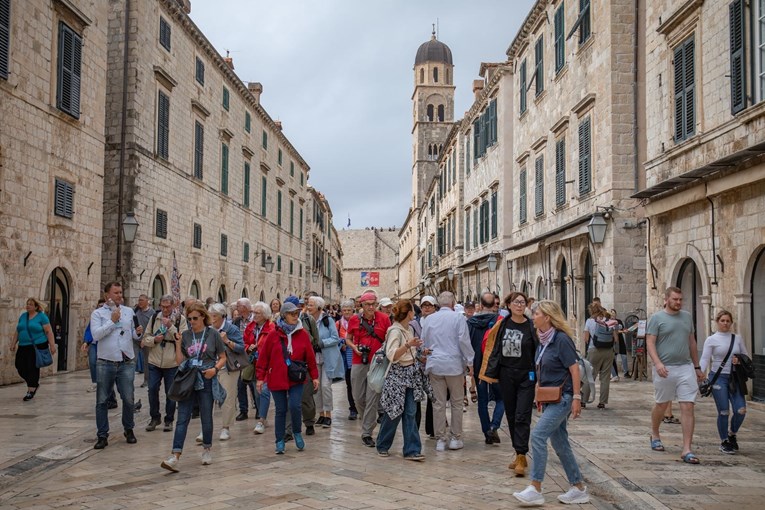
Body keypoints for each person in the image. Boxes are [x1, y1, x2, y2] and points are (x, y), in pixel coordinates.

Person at [513, 300, 589, 506]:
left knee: (537, 437)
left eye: (536, 313)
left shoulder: (561, 340)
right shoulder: (543, 340)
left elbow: (574, 370)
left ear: (547, 317)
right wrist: (539, 395)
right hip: (549, 398)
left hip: (563, 398)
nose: (533, 316)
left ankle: (536, 488)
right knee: (560, 443)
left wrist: (576, 398)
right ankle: (578, 487)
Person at [160, 302, 226, 471]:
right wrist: (177, 343)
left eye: (195, 318)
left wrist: (214, 369)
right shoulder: (187, 335)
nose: (192, 321)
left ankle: (207, 449)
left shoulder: (213, 335)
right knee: (182, 418)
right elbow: (179, 361)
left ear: (203, 317)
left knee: (206, 416)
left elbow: (223, 357)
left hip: (207, 379)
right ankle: (175, 455)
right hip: (188, 379)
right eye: (189, 319)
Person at [646, 287, 705, 464]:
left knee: (688, 406)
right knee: (661, 405)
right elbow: (650, 342)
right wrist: (657, 363)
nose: (678, 302)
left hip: (685, 367)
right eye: (675, 299)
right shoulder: (657, 318)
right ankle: (655, 433)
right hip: (665, 369)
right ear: (666, 299)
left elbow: (692, 342)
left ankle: (687, 448)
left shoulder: (687, 317)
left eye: (680, 299)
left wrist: (697, 367)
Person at [481, 292, 537, 476]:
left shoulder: (531, 326)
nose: (520, 305)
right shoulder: (502, 325)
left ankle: (522, 454)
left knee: (522, 415)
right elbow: (492, 347)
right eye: (516, 302)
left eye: (522, 302)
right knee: (512, 415)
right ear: (509, 305)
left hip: (526, 376)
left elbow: (538, 351)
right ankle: (518, 452)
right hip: (506, 375)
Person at [255, 301, 319, 454]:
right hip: (276, 376)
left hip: (296, 377)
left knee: (295, 406)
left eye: (297, 313)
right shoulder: (273, 334)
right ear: (284, 315)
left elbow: (310, 356)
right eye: (292, 314)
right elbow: (263, 357)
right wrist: (260, 377)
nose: (295, 316)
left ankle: (297, 432)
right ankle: (279, 440)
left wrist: (315, 376)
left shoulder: (303, 333)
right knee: (281, 409)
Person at [90, 282, 143, 450]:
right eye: (116, 293)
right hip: (105, 361)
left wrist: (138, 333)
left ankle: (129, 428)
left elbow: (131, 333)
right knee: (102, 400)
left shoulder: (129, 311)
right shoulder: (97, 313)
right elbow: (96, 335)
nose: (120, 295)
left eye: (121, 292)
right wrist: (112, 321)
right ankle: (102, 435)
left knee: (128, 398)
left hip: (126, 361)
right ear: (107, 295)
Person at [421, 291, 474, 452]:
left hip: (435, 365)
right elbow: (464, 341)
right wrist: (470, 361)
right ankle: (455, 438)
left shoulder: (429, 319)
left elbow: (424, 343)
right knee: (457, 403)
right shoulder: (458, 318)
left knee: (438, 404)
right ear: (452, 304)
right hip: (453, 365)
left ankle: (440, 440)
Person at [376, 299, 427, 461]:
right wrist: (408, 345)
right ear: (409, 313)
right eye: (412, 310)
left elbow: (409, 352)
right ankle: (382, 444)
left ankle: (412, 449)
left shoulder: (408, 329)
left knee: (411, 412)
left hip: (410, 375)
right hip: (397, 376)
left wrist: (421, 353)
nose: (414, 313)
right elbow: (392, 355)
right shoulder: (395, 331)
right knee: (393, 413)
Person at [700, 310, 749, 454]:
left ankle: (732, 434)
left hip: (735, 377)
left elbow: (745, 356)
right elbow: (705, 358)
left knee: (741, 410)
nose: (725, 323)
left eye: (728, 321)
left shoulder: (737, 338)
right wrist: (699, 374)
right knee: (724, 411)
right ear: (717, 322)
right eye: (722, 321)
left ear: (731, 323)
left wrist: (738, 359)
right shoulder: (711, 339)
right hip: (718, 377)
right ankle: (724, 441)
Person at [346, 291, 391, 447]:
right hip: (359, 361)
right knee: (357, 397)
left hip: (377, 363)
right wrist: (354, 348)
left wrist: (383, 352)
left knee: (372, 398)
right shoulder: (354, 320)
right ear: (362, 305)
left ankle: (367, 432)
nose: (371, 307)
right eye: (368, 304)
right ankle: (367, 419)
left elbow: (388, 339)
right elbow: (348, 338)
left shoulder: (384, 319)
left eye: (373, 304)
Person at [143, 295, 187, 432]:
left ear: (173, 306)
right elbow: (145, 338)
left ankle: (169, 419)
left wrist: (171, 327)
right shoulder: (154, 318)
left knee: (170, 392)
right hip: (154, 360)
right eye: (163, 306)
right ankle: (155, 417)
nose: (165, 309)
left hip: (172, 361)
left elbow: (183, 339)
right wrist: (154, 340)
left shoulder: (180, 320)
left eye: (168, 306)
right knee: (152, 389)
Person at [467, 292, 503, 446]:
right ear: (494, 304)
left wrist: (469, 365)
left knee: (482, 400)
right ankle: (494, 425)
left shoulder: (471, 322)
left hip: (478, 365)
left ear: (480, 305)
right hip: (496, 366)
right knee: (501, 398)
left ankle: (487, 432)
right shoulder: (500, 321)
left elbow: (466, 343)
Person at [208, 303, 244, 441]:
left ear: (222, 316)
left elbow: (241, 348)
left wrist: (227, 341)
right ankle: (206, 429)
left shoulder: (231, 329)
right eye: (210, 316)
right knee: (208, 398)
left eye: (215, 316)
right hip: (211, 366)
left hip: (228, 367)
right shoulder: (208, 330)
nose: (212, 319)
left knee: (228, 397)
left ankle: (225, 427)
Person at [10, 298, 57, 401]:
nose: (28, 306)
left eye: (30, 304)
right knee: (20, 366)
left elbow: (49, 332)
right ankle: (34, 383)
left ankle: (30, 390)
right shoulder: (23, 316)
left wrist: (52, 345)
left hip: (37, 345)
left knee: (32, 368)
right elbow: (18, 331)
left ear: (36, 307)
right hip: (23, 346)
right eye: (27, 304)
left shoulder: (42, 317)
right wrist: (13, 343)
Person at [308, 296, 343, 428]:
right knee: (316, 387)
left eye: (311, 305)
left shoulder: (328, 320)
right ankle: (321, 414)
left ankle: (328, 414)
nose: (308, 307)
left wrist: (322, 343)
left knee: (325, 386)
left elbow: (335, 338)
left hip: (327, 358)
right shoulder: (308, 320)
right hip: (314, 358)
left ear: (318, 307)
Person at [245, 301, 275, 434]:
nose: (254, 315)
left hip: (267, 364)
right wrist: (248, 347)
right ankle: (262, 413)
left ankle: (261, 420)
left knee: (264, 390)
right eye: (253, 312)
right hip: (253, 364)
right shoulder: (250, 327)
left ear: (265, 314)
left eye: (257, 313)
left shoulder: (272, 328)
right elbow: (244, 341)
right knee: (257, 392)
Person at [583, 303, 617, 409]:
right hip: (608, 351)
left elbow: (586, 339)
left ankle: (583, 401)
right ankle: (602, 402)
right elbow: (615, 338)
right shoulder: (609, 321)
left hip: (594, 350)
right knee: (605, 378)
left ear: (591, 311)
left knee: (589, 376)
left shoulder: (589, 321)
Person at [234, 298, 256, 422]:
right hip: (239, 354)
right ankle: (243, 410)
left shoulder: (254, 320)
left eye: (239, 306)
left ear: (245, 307)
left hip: (252, 354)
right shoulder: (237, 321)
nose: (237, 308)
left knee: (252, 382)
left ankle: (258, 409)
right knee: (240, 383)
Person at [336, 300, 358, 420]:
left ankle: (360, 406)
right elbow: (335, 338)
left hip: (357, 356)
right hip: (345, 357)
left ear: (352, 310)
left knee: (358, 384)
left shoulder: (358, 322)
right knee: (349, 384)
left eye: (349, 310)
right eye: (344, 310)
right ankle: (352, 409)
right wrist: (342, 343)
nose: (347, 312)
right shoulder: (338, 324)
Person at [81, 299, 106, 393]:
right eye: (99, 305)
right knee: (92, 362)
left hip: (103, 344)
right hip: (94, 343)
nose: (101, 307)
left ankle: (103, 382)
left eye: (102, 305)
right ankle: (95, 382)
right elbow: (89, 330)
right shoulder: (95, 317)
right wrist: (86, 341)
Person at [133, 294, 155, 387]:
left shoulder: (152, 313)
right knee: (132, 359)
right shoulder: (136, 310)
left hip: (147, 339)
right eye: (139, 300)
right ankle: (129, 380)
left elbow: (153, 328)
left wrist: (146, 339)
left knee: (147, 361)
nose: (140, 302)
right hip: (135, 339)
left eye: (142, 300)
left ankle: (147, 380)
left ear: (147, 301)